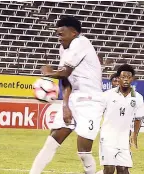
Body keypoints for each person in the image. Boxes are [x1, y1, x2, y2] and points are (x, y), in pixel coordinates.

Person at [30, 16, 104, 174]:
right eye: (57, 34)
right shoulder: (64, 49)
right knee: (52, 140)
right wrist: (65, 106)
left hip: (91, 100)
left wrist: (48, 73)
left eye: (61, 34)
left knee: (84, 151)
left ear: (74, 33)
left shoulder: (81, 42)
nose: (59, 38)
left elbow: (65, 72)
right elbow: (67, 80)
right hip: (74, 98)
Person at [96, 64, 144, 174]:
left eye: (128, 77)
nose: (126, 79)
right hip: (107, 138)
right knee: (109, 169)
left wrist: (134, 135)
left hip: (123, 139)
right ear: (118, 78)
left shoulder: (138, 98)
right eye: (123, 77)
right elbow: (97, 113)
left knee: (123, 171)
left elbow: (138, 118)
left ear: (132, 79)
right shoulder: (107, 95)